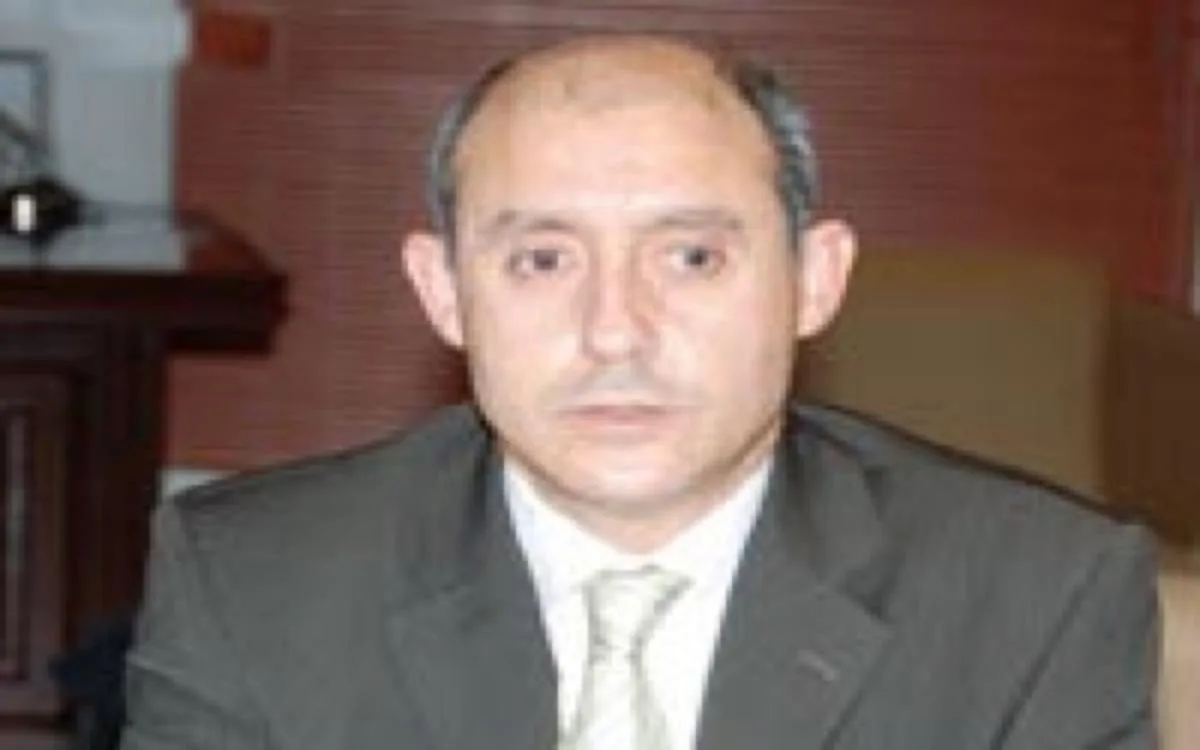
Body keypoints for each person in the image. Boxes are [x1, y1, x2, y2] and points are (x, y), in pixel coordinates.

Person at [120, 34, 1159, 750]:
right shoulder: (253, 583)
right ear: (443, 292)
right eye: (542, 261)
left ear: (815, 279)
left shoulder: (1036, 595)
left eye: (692, 258)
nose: (615, 329)